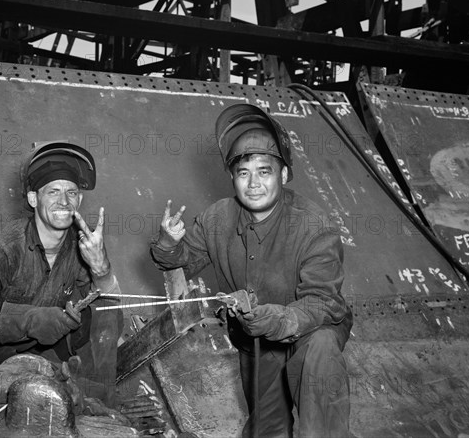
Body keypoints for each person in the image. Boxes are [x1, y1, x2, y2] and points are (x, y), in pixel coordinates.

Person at [150, 104, 353, 438]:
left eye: (264, 171)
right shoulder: (218, 218)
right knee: (266, 429)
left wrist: (280, 320)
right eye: (244, 173)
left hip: (310, 331)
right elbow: (185, 261)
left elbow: (322, 302)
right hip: (255, 341)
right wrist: (168, 244)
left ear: (284, 174)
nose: (254, 183)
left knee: (319, 356)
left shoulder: (314, 225)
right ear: (232, 177)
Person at [0, 140, 121, 403]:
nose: (64, 201)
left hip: (45, 352)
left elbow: (111, 306)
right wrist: (28, 321)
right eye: (53, 191)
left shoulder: (84, 242)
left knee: (90, 397)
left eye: (72, 193)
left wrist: (102, 268)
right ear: (33, 198)